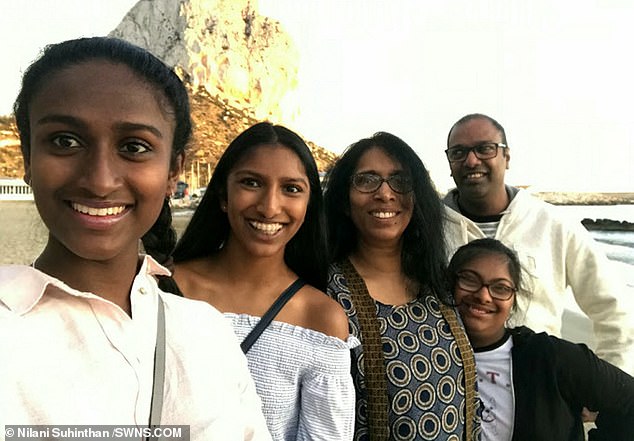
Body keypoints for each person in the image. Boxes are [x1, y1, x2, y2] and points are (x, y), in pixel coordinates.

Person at [0, 37, 271, 440]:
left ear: (173, 170)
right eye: (65, 141)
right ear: (27, 157)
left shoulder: (206, 333)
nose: (100, 180)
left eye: (134, 147)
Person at [160, 122, 357, 441]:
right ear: (223, 195)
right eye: (251, 183)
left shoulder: (320, 318)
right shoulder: (165, 288)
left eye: (291, 189)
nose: (269, 207)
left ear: (309, 205)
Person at [442, 113, 634, 374]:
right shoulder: (430, 230)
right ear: (450, 162)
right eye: (459, 152)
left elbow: (613, 307)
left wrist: (609, 385)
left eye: (485, 149)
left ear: (506, 157)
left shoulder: (553, 225)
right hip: (450, 393)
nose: (472, 160)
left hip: (541, 391)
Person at [324, 132, 480, 441]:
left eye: (400, 181)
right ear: (343, 200)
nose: (385, 194)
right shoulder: (325, 294)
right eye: (367, 180)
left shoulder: (438, 287)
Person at [449, 238, 634, 440]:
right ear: (448, 284)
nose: (483, 295)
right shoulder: (426, 355)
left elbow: (628, 398)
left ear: (513, 300)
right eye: (469, 280)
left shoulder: (550, 357)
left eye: (500, 288)